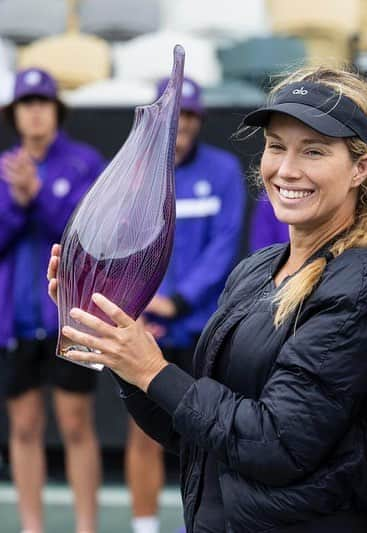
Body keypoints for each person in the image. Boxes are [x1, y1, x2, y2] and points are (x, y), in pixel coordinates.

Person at [49, 66, 367, 532]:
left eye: (314, 151)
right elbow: (200, 435)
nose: (286, 169)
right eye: (276, 146)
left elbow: (277, 443)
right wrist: (124, 348)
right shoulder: (257, 269)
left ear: (360, 169)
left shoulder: (366, 281)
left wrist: (153, 369)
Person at [125, 77, 246, 533]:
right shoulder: (132, 172)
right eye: (177, 113)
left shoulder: (223, 171)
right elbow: (121, 244)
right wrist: (139, 305)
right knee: (143, 434)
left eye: (192, 114)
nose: (184, 123)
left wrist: (178, 300)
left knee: (207, 433)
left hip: (205, 328)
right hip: (148, 327)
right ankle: (144, 527)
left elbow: (224, 246)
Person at [0, 68, 105, 533]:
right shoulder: (4, 167)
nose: (35, 110)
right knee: (23, 427)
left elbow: (86, 235)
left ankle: (86, 526)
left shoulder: (84, 162)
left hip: (71, 317)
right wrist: (17, 201)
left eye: (43, 102)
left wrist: (37, 195)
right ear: (16, 113)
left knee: (76, 424)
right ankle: (31, 527)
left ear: (56, 111)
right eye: (27, 103)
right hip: (16, 320)